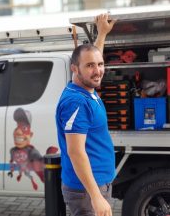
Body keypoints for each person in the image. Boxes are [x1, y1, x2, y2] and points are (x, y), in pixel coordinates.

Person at [55, 14, 116, 216]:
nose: (97, 71)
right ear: (75, 69)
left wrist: (102, 34)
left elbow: (92, 55)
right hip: (86, 191)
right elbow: (76, 152)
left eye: (100, 64)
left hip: (96, 183)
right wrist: (96, 197)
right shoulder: (76, 102)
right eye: (90, 66)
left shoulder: (84, 89)